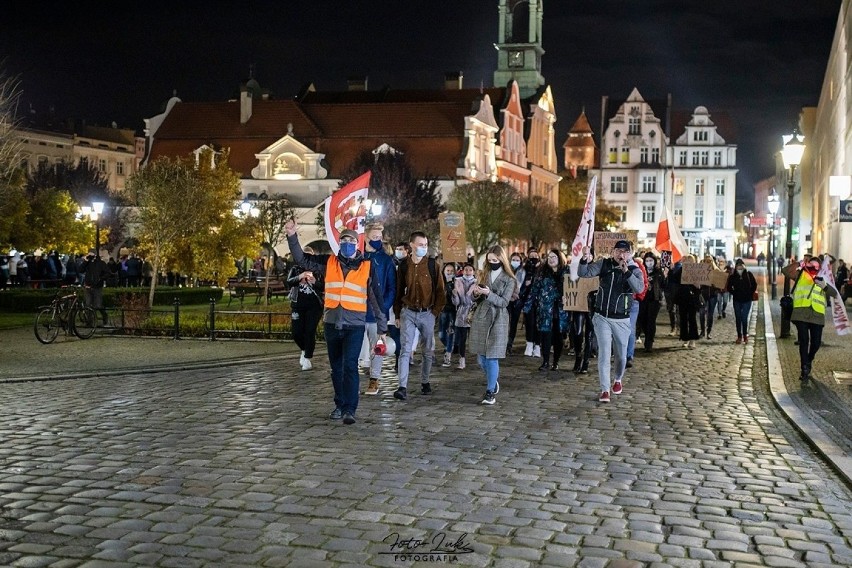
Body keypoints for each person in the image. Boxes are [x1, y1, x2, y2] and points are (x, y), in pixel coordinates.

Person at [285, 220, 387, 425]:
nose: (346, 243)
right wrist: (292, 236)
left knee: (350, 366)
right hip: (332, 324)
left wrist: (382, 328)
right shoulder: (328, 262)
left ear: (357, 243)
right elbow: (302, 260)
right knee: (336, 368)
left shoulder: (367, 267)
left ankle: (350, 408)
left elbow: (376, 299)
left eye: (350, 240)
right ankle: (339, 404)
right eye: (343, 240)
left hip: (355, 325)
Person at [578, 240, 644, 403]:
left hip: (621, 319)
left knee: (621, 356)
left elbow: (639, 289)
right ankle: (605, 390)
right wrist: (584, 259)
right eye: (618, 251)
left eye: (625, 251)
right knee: (604, 353)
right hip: (602, 317)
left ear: (629, 254)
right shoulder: (604, 264)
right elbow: (584, 273)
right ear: (613, 252)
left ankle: (618, 379)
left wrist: (627, 272)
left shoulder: (635, 269)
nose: (621, 254)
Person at [392, 231, 446, 401]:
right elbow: (398, 290)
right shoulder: (404, 266)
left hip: (427, 312)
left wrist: (435, 313)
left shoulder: (432, 265)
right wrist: (398, 313)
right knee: (405, 349)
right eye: (421, 245)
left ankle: (425, 381)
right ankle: (402, 386)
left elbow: (440, 291)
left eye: (425, 245)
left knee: (427, 350)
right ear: (412, 245)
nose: (424, 248)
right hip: (408, 311)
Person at [469, 245, 515, 405]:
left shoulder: (510, 279)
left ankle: (489, 392)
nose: (492, 263)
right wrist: (476, 293)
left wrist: (489, 294)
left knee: (492, 357)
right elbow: (476, 298)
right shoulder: (484, 274)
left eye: (495, 260)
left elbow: (504, 301)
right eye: (490, 260)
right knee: (481, 358)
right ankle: (492, 380)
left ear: (502, 259)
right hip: (482, 316)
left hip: (499, 319)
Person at [784, 257, 837, 381]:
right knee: (803, 341)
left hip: (817, 314)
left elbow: (834, 293)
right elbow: (786, 271)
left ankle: (809, 359)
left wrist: (824, 285)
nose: (813, 268)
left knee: (816, 343)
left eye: (816, 266)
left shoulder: (824, 277)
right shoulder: (801, 273)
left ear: (819, 267)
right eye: (811, 265)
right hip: (801, 312)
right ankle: (804, 368)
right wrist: (799, 262)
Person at [362, 224, 396, 395]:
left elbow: (391, 287)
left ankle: (374, 380)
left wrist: (383, 308)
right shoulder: (358, 256)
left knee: (378, 347)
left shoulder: (385, 260)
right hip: (357, 311)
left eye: (380, 237)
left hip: (376, 313)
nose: (378, 241)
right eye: (374, 237)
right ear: (366, 237)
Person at [524, 248, 569, 371]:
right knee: (546, 336)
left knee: (558, 337)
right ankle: (545, 361)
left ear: (560, 259)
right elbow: (534, 289)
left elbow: (573, 289)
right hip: (545, 309)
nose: (551, 259)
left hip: (561, 310)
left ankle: (556, 361)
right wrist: (527, 305)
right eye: (549, 257)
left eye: (554, 257)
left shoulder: (567, 272)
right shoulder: (542, 272)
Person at [286, 246, 324, 371]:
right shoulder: (296, 269)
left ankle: (307, 357)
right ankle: (304, 349)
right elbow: (289, 281)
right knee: (296, 332)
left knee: (309, 331)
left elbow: (325, 286)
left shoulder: (318, 270)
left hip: (314, 305)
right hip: (298, 304)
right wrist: (299, 278)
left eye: (310, 256)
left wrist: (315, 282)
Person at [670, 255, 701, 349]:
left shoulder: (697, 272)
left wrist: (696, 284)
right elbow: (673, 280)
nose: (688, 263)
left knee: (692, 319)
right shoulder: (681, 271)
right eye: (686, 261)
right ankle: (685, 338)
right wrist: (671, 270)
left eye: (690, 261)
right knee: (683, 319)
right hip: (682, 298)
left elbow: (700, 287)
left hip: (692, 298)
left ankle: (692, 340)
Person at [637, 252, 664, 352]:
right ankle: (647, 335)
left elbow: (663, 285)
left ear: (654, 261)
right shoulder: (641, 271)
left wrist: (664, 275)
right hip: (643, 299)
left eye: (651, 260)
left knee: (651, 321)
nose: (649, 263)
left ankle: (649, 342)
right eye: (647, 261)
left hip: (654, 299)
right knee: (642, 320)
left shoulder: (658, 272)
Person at [726, 258, 757, 344]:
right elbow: (729, 287)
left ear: (744, 266)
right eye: (738, 266)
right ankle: (739, 336)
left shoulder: (748, 274)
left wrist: (750, 293)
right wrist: (734, 293)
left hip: (747, 300)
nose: (739, 268)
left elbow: (754, 285)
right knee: (738, 318)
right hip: (737, 300)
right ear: (736, 267)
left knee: (744, 318)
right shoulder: (733, 276)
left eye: (741, 266)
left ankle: (745, 335)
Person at [452, 263, 477, 370]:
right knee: (461, 338)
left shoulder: (477, 282)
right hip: (462, 312)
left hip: (473, 312)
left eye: (470, 270)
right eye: (466, 270)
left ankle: (480, 358)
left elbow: (477, 298)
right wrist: (454, 294)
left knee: (475, 337)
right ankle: (462, 359)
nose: (468, 272)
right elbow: (456, 302)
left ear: (473, 272)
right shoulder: (458, 281)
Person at [625, 252, 648, 367]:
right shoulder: (613, 265)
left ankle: (629, 356)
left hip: (632, 301)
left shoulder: (637, 266)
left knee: (630, 329)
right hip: (619, 301)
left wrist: (638, 297)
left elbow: (643, 284)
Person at [520, 248, 542, 357]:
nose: (533, 257)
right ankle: (529, 343)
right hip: (528, 300)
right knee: (529, 322)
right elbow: (519, 284)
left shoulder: (543, 269)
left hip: (540, 301)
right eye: (531, 255)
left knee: (538, 323)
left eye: (535, 255)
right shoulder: (524, 269)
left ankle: (537, 345)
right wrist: (525, 284)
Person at [82, 253, 110, 325]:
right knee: (88, 304)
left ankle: (104, 316)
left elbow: (107, 273)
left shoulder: (101, 263)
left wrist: (101, 278)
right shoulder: (87, 263)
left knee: (98, 305)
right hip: (88, 286)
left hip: (97, 287)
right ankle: (89, 321)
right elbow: (80, 270)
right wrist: (85, 261)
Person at [698, 255, 722, 340]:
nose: (708, 263)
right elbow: (697, 283)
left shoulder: (716, 271)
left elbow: (720, 285)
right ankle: (702, 331)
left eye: (710, 261)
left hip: (712, 295)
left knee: (710, 315)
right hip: (703, 295)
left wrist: (715, 285)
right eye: (706, 261)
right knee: (701, 313)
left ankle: (708, 332)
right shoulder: (700, 271)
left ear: (712, 262)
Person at [506, 252, 525, 355]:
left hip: (517, 300)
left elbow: (525, 286)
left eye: (517, 260)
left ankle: (510, 344)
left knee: (513, 323)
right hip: (507, 300)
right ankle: (504, 343)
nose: (515, 262)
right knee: (506, 322)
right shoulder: (506, 271)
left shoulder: (523, 272)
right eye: (514, 260)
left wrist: (518, 294)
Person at [439, 262, 457, 367]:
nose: (449, 273)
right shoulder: (440, 281)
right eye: (448, 271)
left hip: (453, 310)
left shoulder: (457, 282)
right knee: (441, 335)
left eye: (451, 271)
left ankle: (448, 354)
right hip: (443, 310)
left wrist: (451, 285)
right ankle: (449, 346)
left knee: (450, 332)